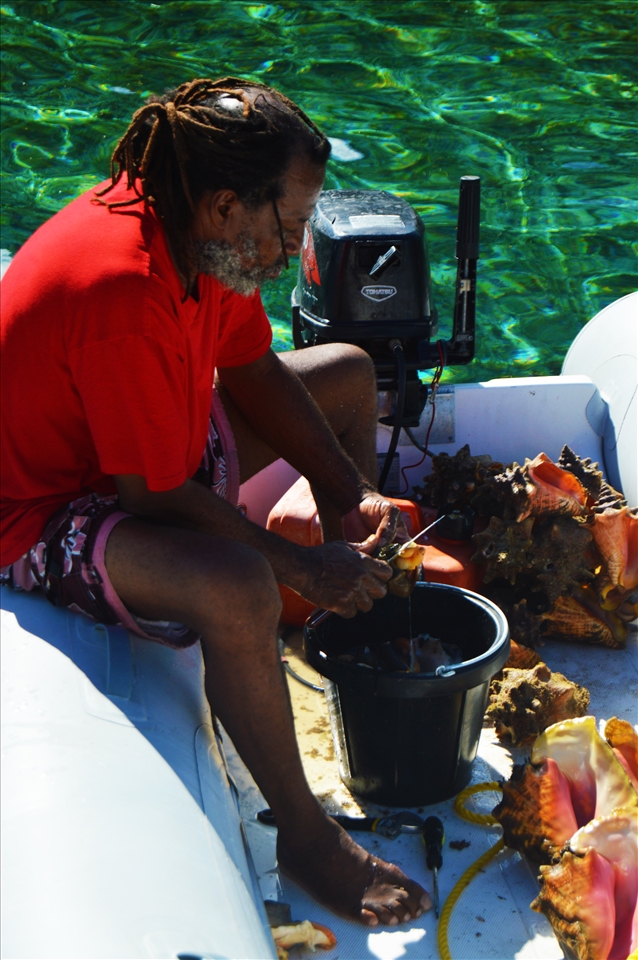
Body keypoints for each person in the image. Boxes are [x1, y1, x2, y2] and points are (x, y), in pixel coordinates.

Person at [0, 77, 431, 926]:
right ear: (229, 205)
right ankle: (306, 839)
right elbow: (157, 495)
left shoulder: (203, 232)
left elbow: (252, 369)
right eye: (293, 225)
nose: (297, 245)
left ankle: (348, 621)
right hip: (43, 508)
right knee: (238, 587)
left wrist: (354, 494)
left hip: (140, 451)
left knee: (344, 372)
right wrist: (300, 561)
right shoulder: (121, 290)